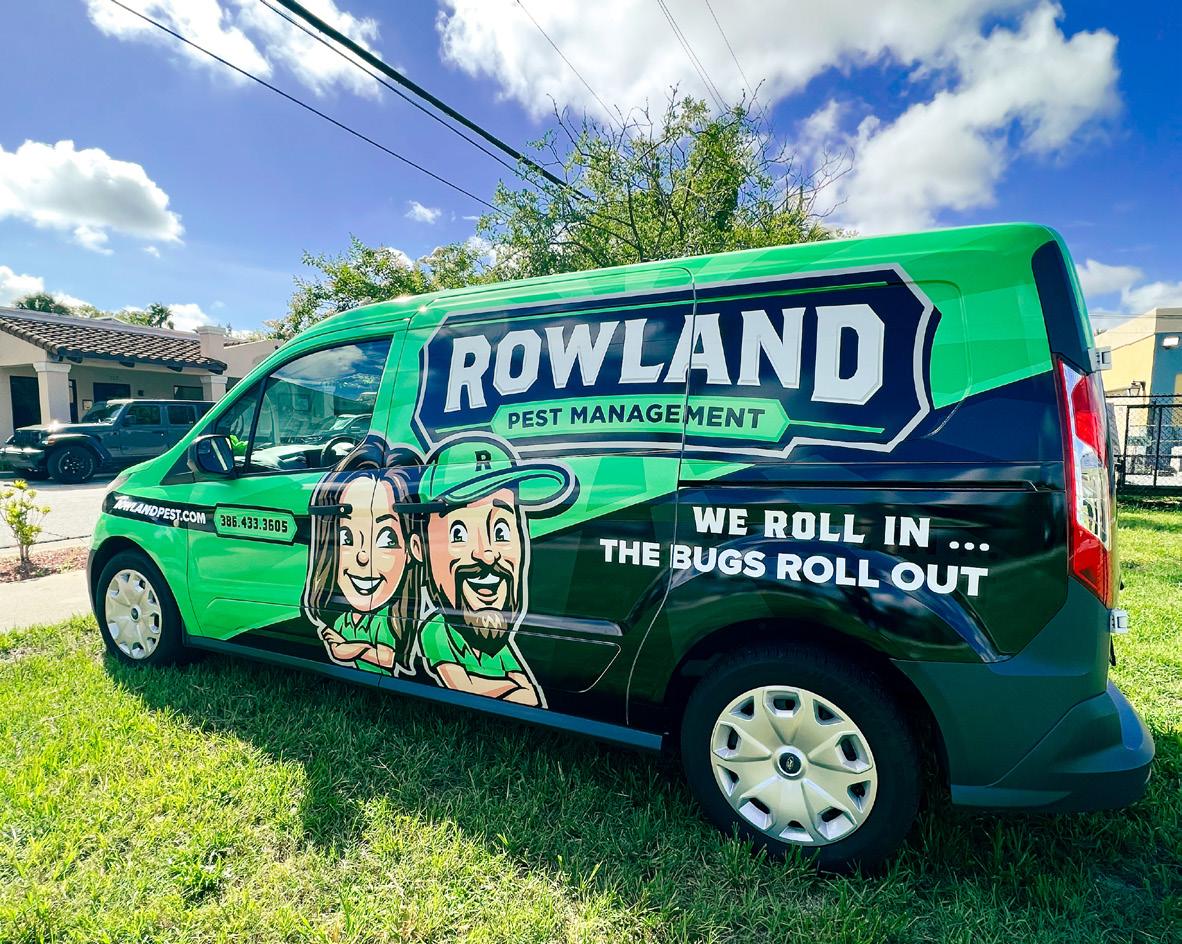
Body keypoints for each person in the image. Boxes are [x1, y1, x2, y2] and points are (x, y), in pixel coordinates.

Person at [410, 435, 574, 707]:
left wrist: (508, 688)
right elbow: (466, 685)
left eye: (501, 531)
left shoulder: (499, 642)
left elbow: (529, 693)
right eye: (459, 534)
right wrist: (510, 688)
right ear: (419, 548)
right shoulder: (436, 630)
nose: (487, 554)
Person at [302, 438, 422, 675]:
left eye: (386, 539)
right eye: (346, 537)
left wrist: (353, 649)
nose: (363, 556)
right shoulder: (343, 617)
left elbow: (390, 656)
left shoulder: (388, 620)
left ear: (412, 549)